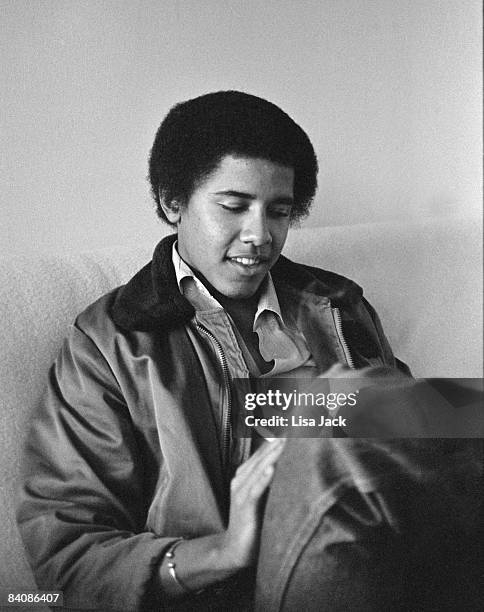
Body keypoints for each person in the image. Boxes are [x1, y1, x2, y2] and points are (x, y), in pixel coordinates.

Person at [17, 91, 415, 611]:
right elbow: (68, 557)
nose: (260, 235)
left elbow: (419, 449)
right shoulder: (109, 342)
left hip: (377, 562)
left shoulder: (338, 305)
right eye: (233, 206)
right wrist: (225, 551)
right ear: (172, 202)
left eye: (279, 211)